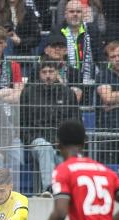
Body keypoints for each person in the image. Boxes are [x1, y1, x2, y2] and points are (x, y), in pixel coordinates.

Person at [19, 59, 80, 193]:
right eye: (44, 72)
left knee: (73, 156)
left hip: (62, 142)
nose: (47, 75)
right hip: (37, 140)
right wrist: (30, 139)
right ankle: (50, 189)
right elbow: (22, 123)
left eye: (51, 71)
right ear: (39, 74)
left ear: (57, 73)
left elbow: (76, 122)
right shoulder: (28, 93)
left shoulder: (68, 93)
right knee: (45, 147)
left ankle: (75, 194)